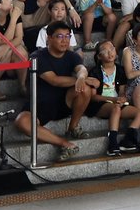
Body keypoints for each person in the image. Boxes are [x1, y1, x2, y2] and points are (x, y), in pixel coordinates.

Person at [14, 20, 90, 161]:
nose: (64, 40)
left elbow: (82, 69)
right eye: (60, 36)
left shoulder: (72, 56)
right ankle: (64, 143)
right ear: (49, 38)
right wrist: (81, 79)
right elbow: (54, 80)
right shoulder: (37, 57)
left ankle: (72, 127)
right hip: (40, 105)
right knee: (21, 121)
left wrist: (82, 77)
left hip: (63, 102)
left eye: (67, 36)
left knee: (85, 89)